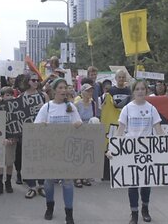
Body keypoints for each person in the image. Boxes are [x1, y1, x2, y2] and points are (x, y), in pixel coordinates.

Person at [110, 80, 166, 224]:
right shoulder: (127, 109)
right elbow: (120, 130)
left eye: (143, 89)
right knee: (133, 183)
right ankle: (134, 213)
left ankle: (145, 209)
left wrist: (167, 149)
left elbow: (159, 129)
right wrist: (112, 149)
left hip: (147, 150)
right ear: (133, 92)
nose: (140, 91)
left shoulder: (152, 109)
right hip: (130, 150)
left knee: (146, 183)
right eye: (137, 89)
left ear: (146, 91)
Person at [34, 78, 82, 224]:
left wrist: (78, 125)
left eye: (65, 88)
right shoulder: (47, 107)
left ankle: (69, 213)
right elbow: (36, 127)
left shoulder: (71, 107)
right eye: (60, 88)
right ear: (54, 90)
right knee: (48, 182)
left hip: (66, 150)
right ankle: (50, 207)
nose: (63, 90)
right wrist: (42, 125)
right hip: (50, 150)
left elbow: (78, 123)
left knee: (67, 182)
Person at [20, 73, 49, 198]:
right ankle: (32, 186)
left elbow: (50, 111)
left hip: (42, 131)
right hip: (27, 132)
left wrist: (44, 108)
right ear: (27, 81)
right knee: (29, 159)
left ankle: (41, 185)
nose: (36, 82)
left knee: (42, 159)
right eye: (33, 80)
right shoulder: (22, 96)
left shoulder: (43, 95)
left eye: (37, 80)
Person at [0, 86, 17, 196]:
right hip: (0, 138)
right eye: (7, 95)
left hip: (12, 138)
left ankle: (8, 182)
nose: (9, 97)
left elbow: (18, 124)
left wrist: (15, 137)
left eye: (11, 94)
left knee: (10, 162)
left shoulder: (16, 108)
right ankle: (0, 183)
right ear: (2, 97)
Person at [74, 83, 98, 188]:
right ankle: (77, 177)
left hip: (90, 131)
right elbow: (75, 118)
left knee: (87, 155)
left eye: (91, 91)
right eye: (87, 91)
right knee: (79, 154)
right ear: (82, 92)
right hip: (79, 130)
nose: (90, 93)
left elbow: (95, 117)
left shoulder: (94, 104)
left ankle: (85, 176)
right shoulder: (77, 104)